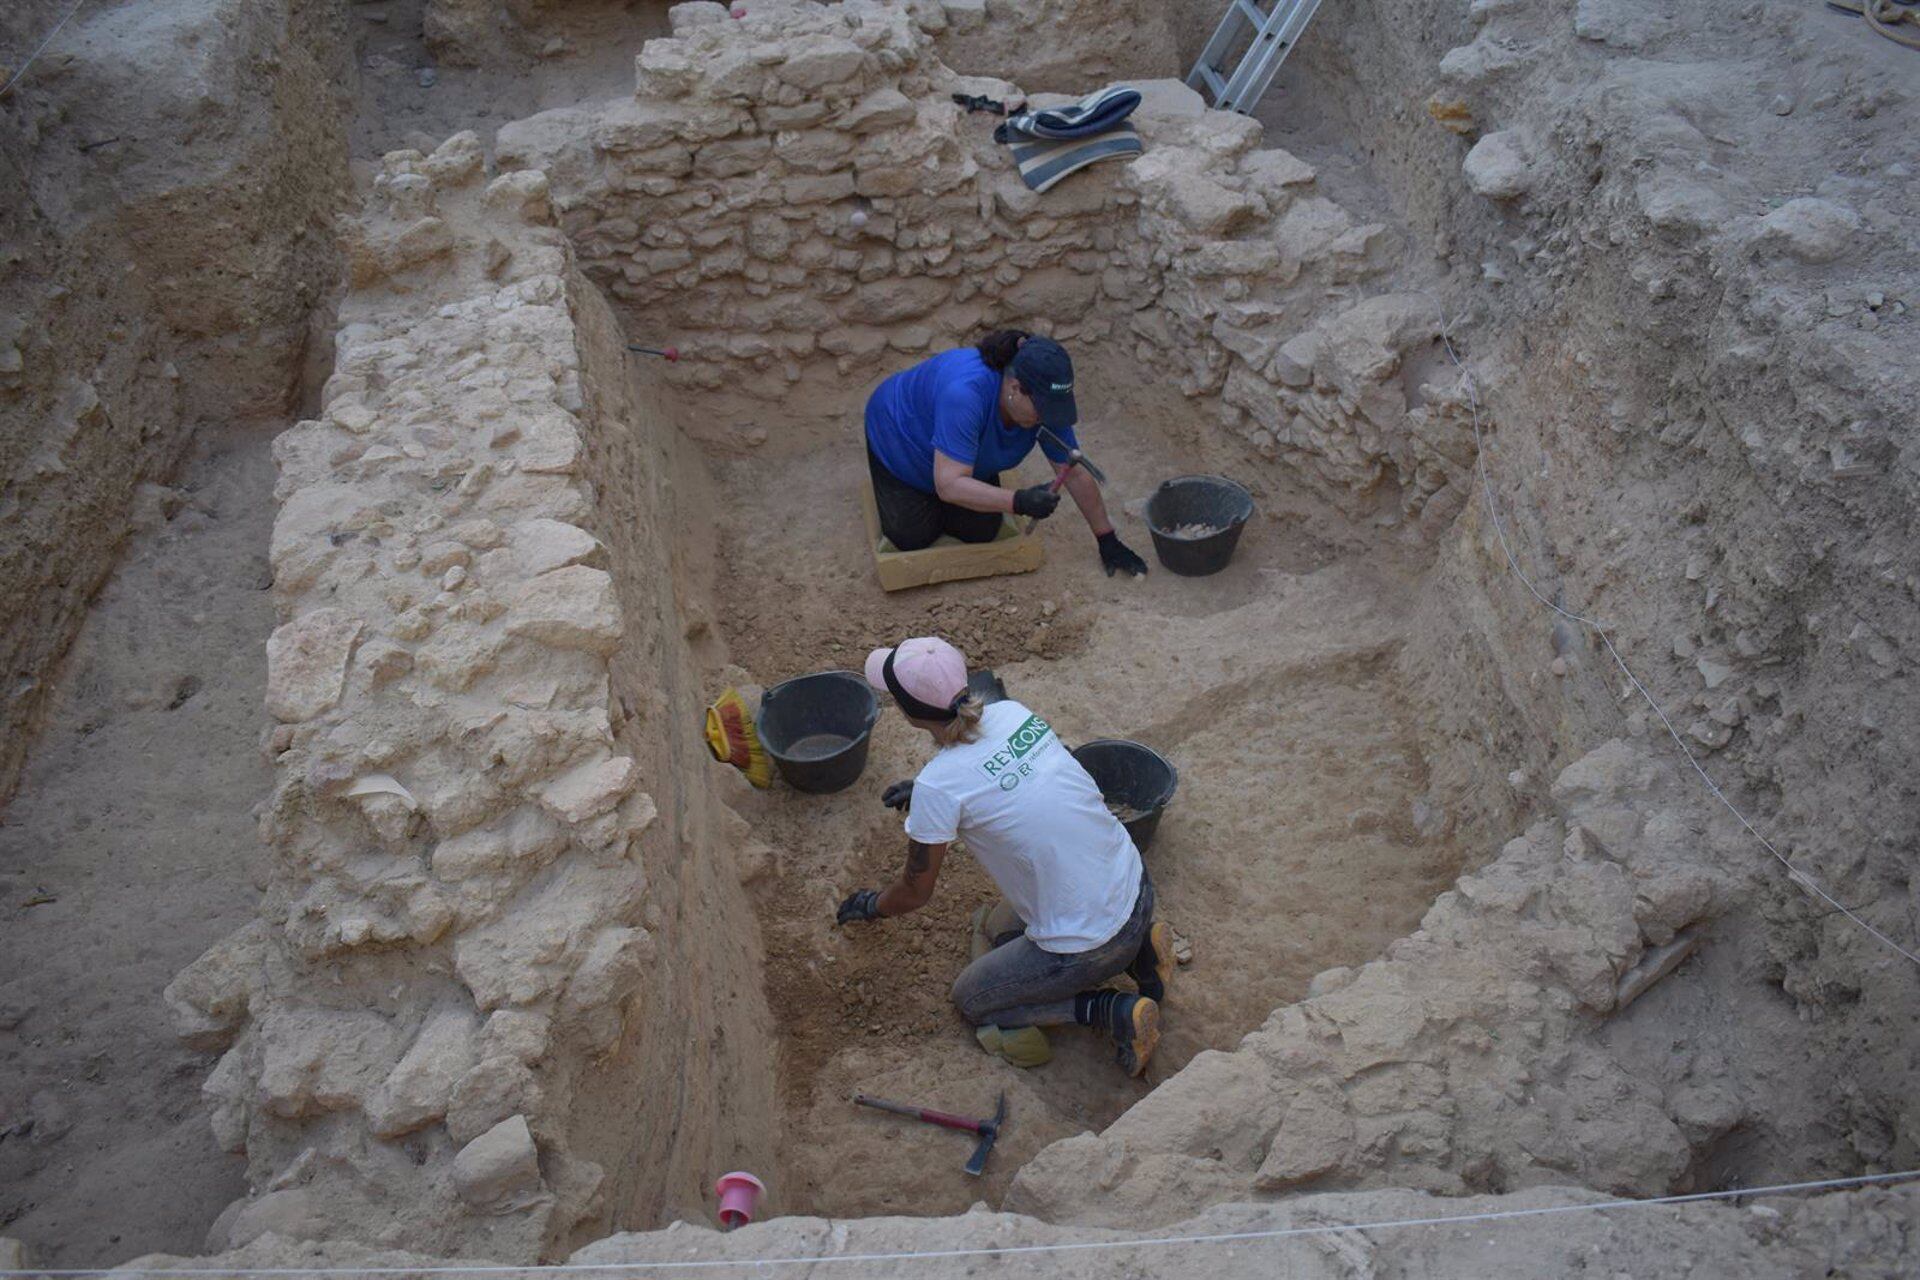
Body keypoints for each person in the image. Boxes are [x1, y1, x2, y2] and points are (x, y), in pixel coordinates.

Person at [835, 635, 1173, 1076]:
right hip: (1136, 885)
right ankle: (1143, 952)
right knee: (999, 928)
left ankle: (1113, 1010)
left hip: (1091, 943)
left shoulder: (941, 784)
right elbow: (1011, 781)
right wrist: (925, 795)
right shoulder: (1012, 714)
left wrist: (871, 906)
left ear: (908, 712)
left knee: (973, 999)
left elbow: (915, 893)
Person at [863, 330, 1150, 578]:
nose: (1047, 418)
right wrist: (1018, 501)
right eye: (1043, 410)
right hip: (901, 441)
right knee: (912, 536)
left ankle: (959, 485)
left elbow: (1073, 471)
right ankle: (919, 488)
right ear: (1015, 388)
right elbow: (949, 484)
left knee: (982, 531)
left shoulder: (1042, 404)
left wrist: (1107, 538)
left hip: (960, 456)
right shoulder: (965, 395)